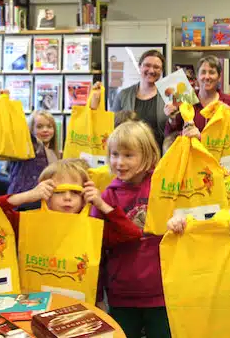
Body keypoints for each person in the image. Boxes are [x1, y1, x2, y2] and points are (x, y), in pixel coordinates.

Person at [91, 121, 170, 338]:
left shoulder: (162, 186)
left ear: (147, 155)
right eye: (115, 154)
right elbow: (94, 248)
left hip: (161, 292)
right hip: (121, 293)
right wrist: (96, 294)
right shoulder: (107, 196)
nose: (119, 162)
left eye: (128, 155)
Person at [0, 159, 142, 247]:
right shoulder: (26, 222)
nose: (67, 198)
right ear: (45, 194)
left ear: (84, 195)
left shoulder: (92, 228)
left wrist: (101, 204)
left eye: (75, 192)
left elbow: (132, 234)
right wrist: (28, 195)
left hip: (80, 297)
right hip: (37, 297)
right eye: (59, 192)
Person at [164, 55, 230, 136]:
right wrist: (172, 119)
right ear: (197, 76)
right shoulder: (185, 100)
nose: (207, 77)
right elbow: (169, 136)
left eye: (212, 72)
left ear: (219, 77)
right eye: (203, 72)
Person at [111, 50, 169, 148]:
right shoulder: (123, 95)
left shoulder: (169, 95)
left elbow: (178, 127)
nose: (151, 70)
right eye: (147, 65)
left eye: (156, 67)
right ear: (139, 66)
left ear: (161, 70)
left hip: (160, 156)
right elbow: (111, 126)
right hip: (129, 153)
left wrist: (173, 117)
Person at [7, 110, 59, 208]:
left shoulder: (53, 153)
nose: (45, 130)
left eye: (49, 126)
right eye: (39, 127)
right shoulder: (28, 148)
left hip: (42, 205)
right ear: (31, 130)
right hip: (21, 204)